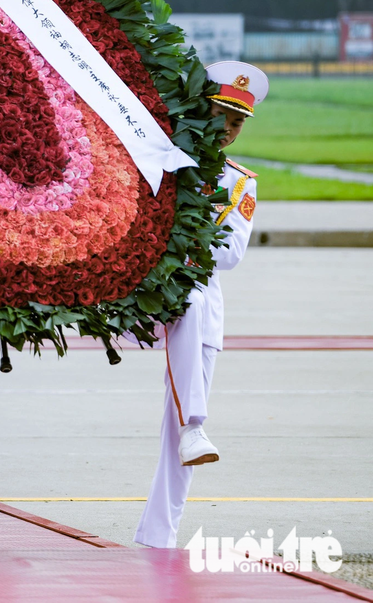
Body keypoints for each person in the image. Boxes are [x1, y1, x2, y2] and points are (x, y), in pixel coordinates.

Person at [134, 61, 267, 549]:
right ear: (201, 111)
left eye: (237, 123)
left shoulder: (239, 183)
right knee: (186, 297)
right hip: (144, 302)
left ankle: (158, 535)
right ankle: (197, 423)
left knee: (183, 441)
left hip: (197, 306)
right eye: (221, 116)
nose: (228, 130)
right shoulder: (163, 158)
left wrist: (192, 223)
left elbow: (229, 255)